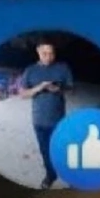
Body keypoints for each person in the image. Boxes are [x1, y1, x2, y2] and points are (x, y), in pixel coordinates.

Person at [18, 41, 74, 188]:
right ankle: (50, 175)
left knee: (62, 148)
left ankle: (68, 174)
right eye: (45, 53)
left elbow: (70, 88)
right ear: (38, 52)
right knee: (45, 150)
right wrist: (39, 87)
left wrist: (58, 89)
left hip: (59, 118)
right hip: (39, 119)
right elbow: (23, 94)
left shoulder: (63, 68)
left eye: (51, 53)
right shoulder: (30, 70)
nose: (49, 57)